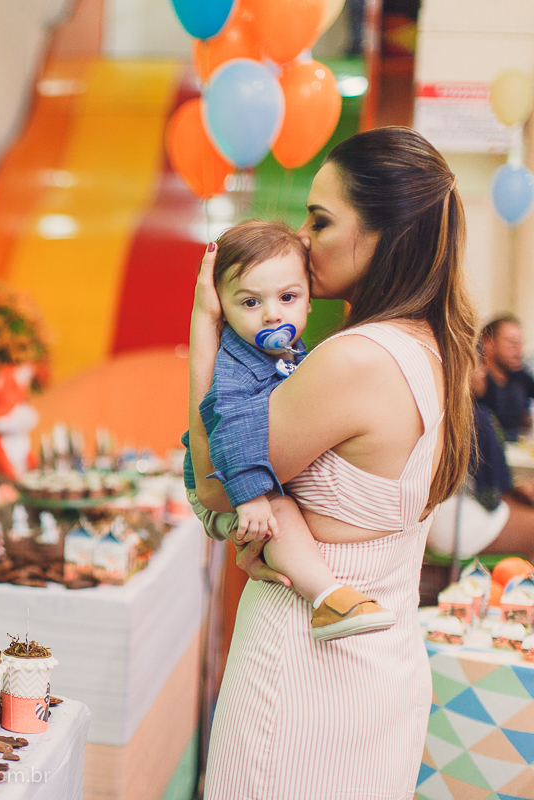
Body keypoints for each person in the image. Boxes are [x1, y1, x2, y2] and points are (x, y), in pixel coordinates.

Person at [190, 127, 475, 799]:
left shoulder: (356, 358)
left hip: (303, 676)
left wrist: (206, 330)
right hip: (383, 666)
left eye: (321, 219)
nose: (303, 238)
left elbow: (216, 483)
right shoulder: (440, 348)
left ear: (384, 234)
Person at [182, 220, 396, 640]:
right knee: (277, 512)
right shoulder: (237, 364)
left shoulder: (290, 352)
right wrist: (250, 496)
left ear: (309, 301)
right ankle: (327, 598)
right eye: (249, 302)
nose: (272, 313)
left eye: (288, 297)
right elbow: (232, 425)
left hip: (239, 477)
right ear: (221, 308)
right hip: (222, 480)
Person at [426, 348, 534, 558]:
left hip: (428, 524)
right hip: (457, 527)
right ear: (462, 370)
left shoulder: (435, 410)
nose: (484, 371)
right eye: (479, 364)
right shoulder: (477, 417)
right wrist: (519, 492)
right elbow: (491, 497)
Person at [479, 313, 534, 441]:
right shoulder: (476, 382)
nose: (519, 349)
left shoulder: (521, 378)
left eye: (521, 343)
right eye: (512, 342)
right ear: (488, 344)